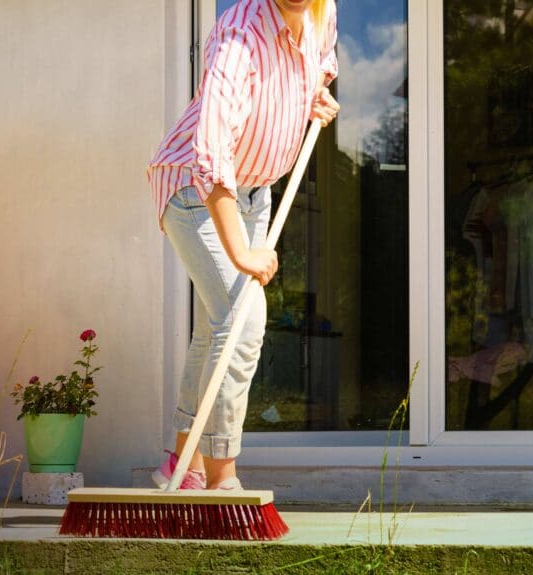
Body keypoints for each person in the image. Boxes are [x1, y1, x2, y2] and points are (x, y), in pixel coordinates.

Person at [146, 0, 341, 490]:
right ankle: (221, 479)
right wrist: (240, 253)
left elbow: (320, 67)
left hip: (256, 192)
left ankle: (182, 464)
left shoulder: (323, 12)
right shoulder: (237, 37)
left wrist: (316, 96)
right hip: (196, 189)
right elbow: (208, 157)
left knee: (218, 327)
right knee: (240, 321)